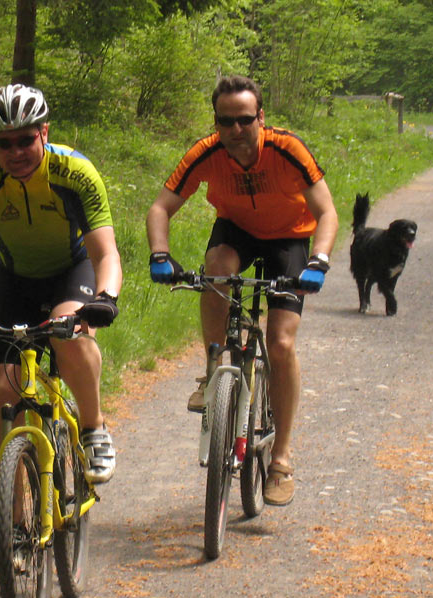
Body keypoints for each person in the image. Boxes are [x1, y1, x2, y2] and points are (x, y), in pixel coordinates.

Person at [145, 75, 338, 506]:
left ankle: (282, 459)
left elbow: (326, 212)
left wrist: (318, 262)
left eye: (244, 120)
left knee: (281, 342)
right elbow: (161, 206)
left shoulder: (288, 150)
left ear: (261, 118)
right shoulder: (207, 152)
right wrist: (160, 254)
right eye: (225, 121)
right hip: (237, 230)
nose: (234, 130)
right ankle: (214, 368)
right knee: (216, 269)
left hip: (289, 237)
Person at [0, 84, 123, 488]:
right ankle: (14, 518)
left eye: (25, 140)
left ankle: (93, 426)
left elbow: (105, 252)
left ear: (44, 133)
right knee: (3, 390)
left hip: (73, 269)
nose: (15, 152)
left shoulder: (75, 173)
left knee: (68, 333)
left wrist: (105, 298)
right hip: (15, 280)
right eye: (4, 143)